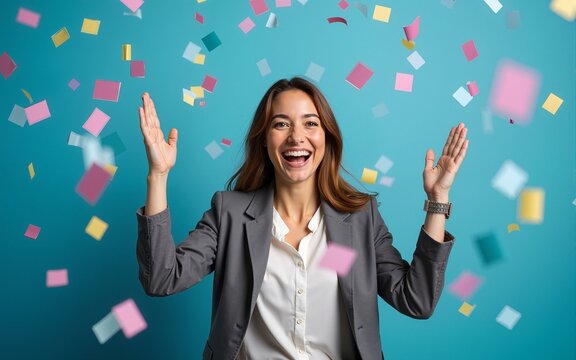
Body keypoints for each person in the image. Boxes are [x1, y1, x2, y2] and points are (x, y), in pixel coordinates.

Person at [136, 77, 469, 360]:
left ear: (326, 138)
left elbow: (417, 300)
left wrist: (437, 200)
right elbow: (162, 279)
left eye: (310, 123)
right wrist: (158, 174)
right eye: (281, 124)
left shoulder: (360, 218)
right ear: (264, 140)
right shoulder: (231, 214)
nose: (297, 136)